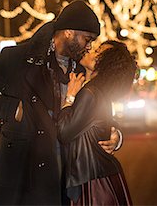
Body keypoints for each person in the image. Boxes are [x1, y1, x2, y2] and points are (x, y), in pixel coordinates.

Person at [0, 0, 122, 205]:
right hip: (22, 165)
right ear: (69, 32)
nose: (90, 46)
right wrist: (14, 110)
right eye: (87, 39)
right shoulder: (17, 58)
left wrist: (114, 134)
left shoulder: (80, 69)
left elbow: (93, 112)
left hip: (63, 171)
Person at [57, 40, 137, 206]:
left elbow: (64, 132)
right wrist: (116, 135)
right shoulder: (98, 90)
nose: (91, 49)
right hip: (100, 176)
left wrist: (69, 98)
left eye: (98, 51)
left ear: (105, 63)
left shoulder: (90, 93)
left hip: (92, 181)